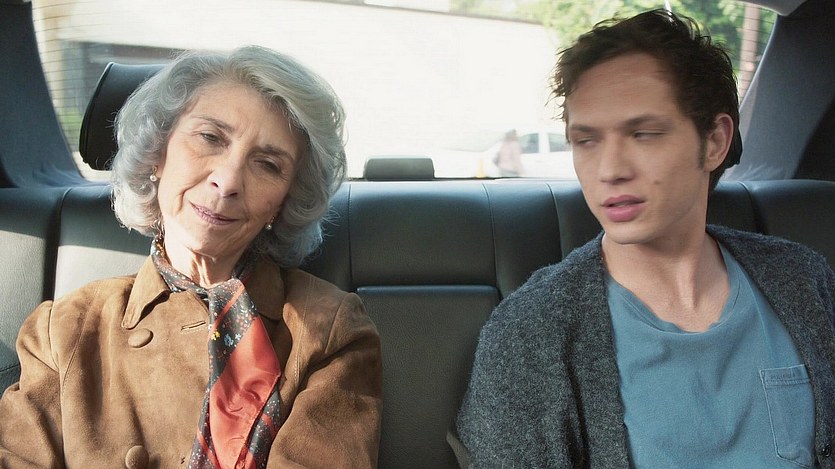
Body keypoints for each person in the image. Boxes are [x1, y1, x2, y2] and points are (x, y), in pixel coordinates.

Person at [457, 9, 835, 468]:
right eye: (587, 141)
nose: (610, 170)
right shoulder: (530, 333)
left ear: (715, 142)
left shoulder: (804, 280)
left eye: (644, 134)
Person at [0, 46, 382, 468]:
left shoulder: (330, 330)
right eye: (210, 138)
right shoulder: (63, 330)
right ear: (157, 153)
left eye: (267, 164)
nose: (228, 181)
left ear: (283, 202)